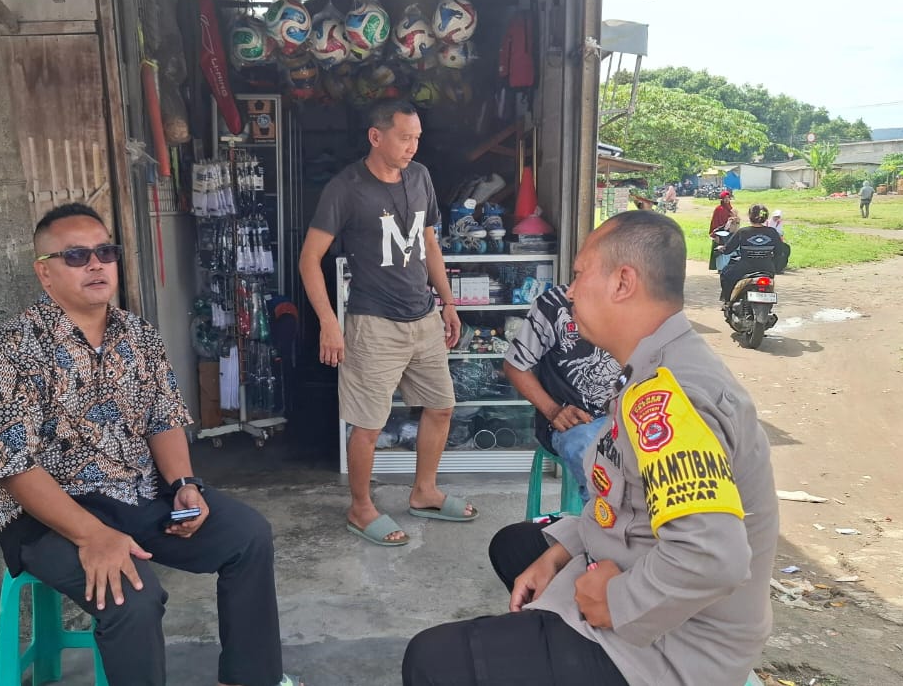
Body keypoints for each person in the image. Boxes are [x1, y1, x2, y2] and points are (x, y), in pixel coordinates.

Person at [402, 210, 779, 686]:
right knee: (518, 547)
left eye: (580, 275)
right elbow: (624, 503)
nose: (571, 291)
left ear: (623, 283)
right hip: (638, 563)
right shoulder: (648, 366)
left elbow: (712, 558)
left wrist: (616, 602)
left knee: (430, 660)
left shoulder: (669, 398)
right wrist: (561, 553)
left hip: (676, 647)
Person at [0, 203, 300, 686]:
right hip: (49, 518)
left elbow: (163, 419)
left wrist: (184, 484)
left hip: (136, 493)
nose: (95, 264)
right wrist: (92, 536)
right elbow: (15, 469)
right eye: (76, 256)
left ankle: (251, 678)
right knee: (134, 599)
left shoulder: (138, 335)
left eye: (105, 252)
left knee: (247, 535)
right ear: (45, 273)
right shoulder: (8, 352)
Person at [298, 99, 476, 547]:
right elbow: (309, 259)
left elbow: (429, 243)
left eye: (417, 138)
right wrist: (328, 322)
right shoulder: (346, 188)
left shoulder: (420, 177)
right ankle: (360, 508)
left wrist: (448, 303)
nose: (412, 147)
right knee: (369, 425)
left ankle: (424, 491)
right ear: (376, 137)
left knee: (441, 407)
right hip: (373, 323)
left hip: (424, 317)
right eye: (404, 137)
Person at [502, 286, 621, 503]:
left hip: (627, 417)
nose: (573, 288)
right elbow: (515, 366)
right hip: (574, 424)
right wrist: (553, 410)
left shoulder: (643, 303)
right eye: (577, 273)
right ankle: (601, 517)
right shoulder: (554, 304)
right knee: (587, 450)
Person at [718, 204, 790, 303]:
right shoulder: (773, 232)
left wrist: (721, 249)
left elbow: (728, 250)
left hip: (745, 267)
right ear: (765, 217)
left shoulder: (743, 232)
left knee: (725, 274)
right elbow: (779, 252)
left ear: (750, 216)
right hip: (767, 269)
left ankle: (727, 301)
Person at [707, 191, 737, 270]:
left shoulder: (731, 209)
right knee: (719, 250)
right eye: (725, 198)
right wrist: (716, 234)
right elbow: (715, 222)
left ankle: (726, 266)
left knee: (728, 250)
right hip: (720, 233)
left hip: (729, 233)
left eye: (728, 198)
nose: (727, 199)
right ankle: (719, 267)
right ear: (722, 199)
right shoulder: (718, 209)